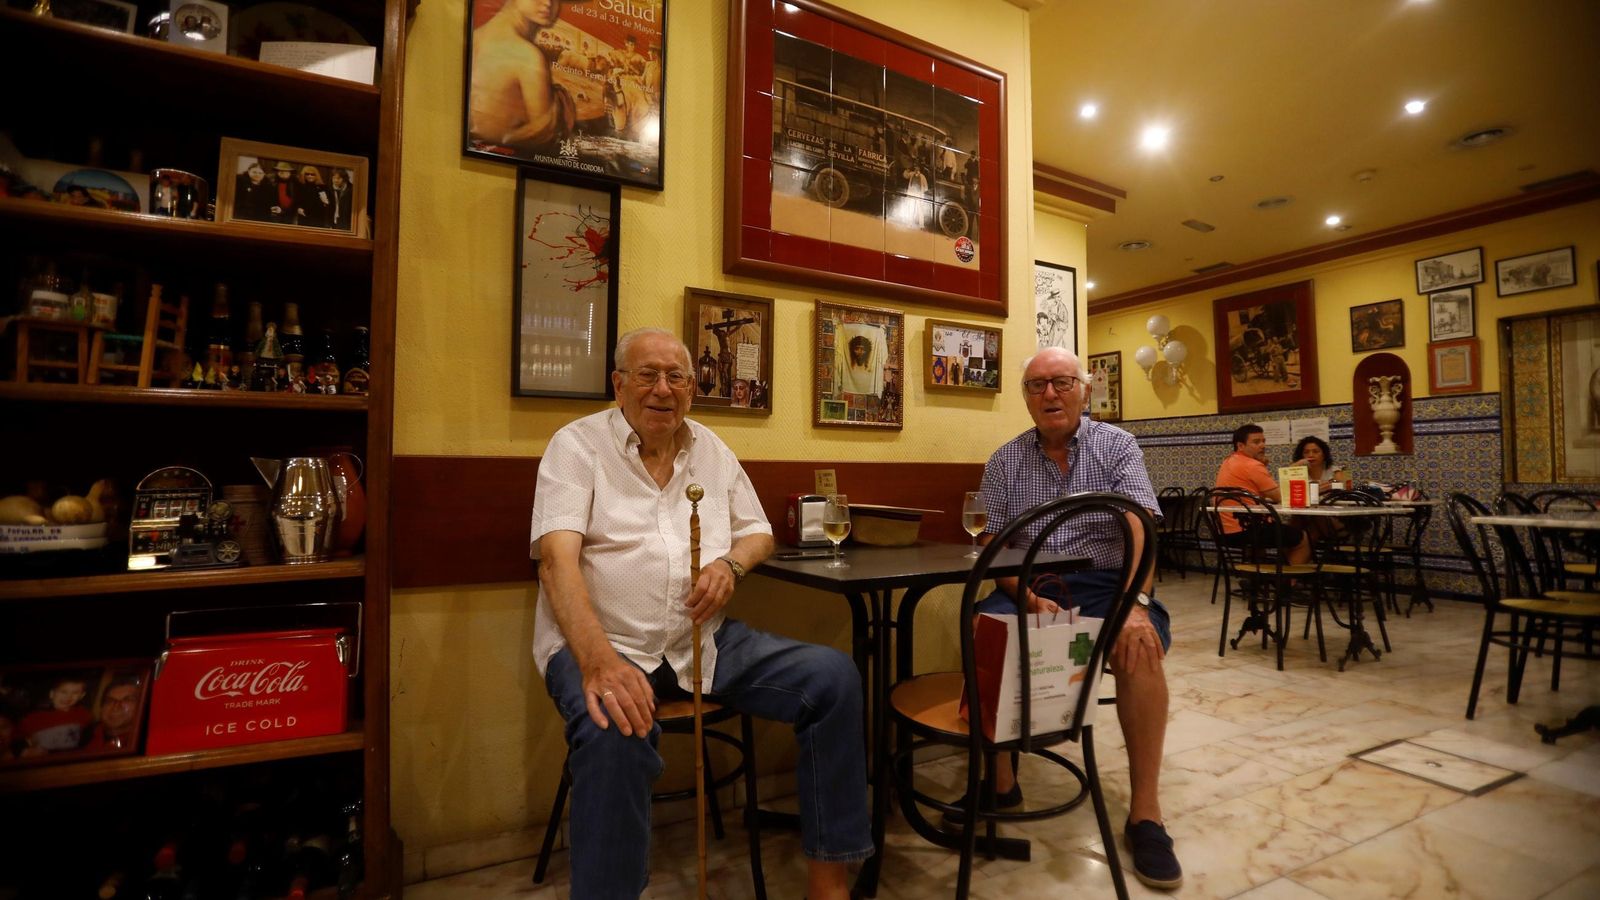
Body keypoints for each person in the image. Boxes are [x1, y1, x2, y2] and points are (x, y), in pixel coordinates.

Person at [530, 328, 871, 899]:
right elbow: (555, 563)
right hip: (605, 643)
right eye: (647, 375)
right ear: (618, 384)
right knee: (616, 728)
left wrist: (730, 566)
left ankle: (829, 882)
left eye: (677, 377)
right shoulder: (576, 446)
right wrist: (599, 661)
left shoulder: (712, 450)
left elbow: (758, 532)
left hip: (701, 641)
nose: (662, 389)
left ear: (692, 387)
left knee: (833, 678)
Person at [970, 346, 1182, 890]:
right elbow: (993, 542)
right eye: (1036, 385)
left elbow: (1140, 526)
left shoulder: (1117, 445)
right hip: (1034, 584)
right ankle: (1001, 782)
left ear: (1085, 391)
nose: (1049, 394)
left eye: (1062, 382)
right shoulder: (1004, 460)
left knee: (1138, 648)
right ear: (1025, 398)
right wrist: (1026, 598)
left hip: (1112, 582)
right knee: (985, 630)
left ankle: (1146, 814)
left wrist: (1136, 605)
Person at [469, 0, 578, 151]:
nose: (548, 3)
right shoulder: (528, 57)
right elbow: (546, 138)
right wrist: (563, 104)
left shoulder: (476, 35)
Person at [1214, 424, 1311, 564]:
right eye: (1256, 442)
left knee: (1283, 532)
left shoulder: (1228, 461)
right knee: (1302, 538)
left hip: (1225, 532)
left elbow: (1255, 491)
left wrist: (1262, 465)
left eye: (1263, 441)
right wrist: (1293, 469)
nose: (1263, 445)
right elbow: (1281, 497)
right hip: (1247, 530)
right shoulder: (1252, 465)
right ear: (1240, 446)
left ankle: (1260, 574)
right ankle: (1288, 577)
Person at [20, 675, 92, 752]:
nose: (68, 697)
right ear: (52, 694)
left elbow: (88, 740)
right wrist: (24, 751)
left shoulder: (82, 714)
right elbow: (16, 739)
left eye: (75, 693)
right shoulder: (34, 717)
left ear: (81, 695)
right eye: (63, 692)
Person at [83, 676, 141, 751]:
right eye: (110, 701)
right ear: (101, 708)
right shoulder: (82, 735)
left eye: (127, 700)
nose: (116, 706)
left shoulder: (144, 743)